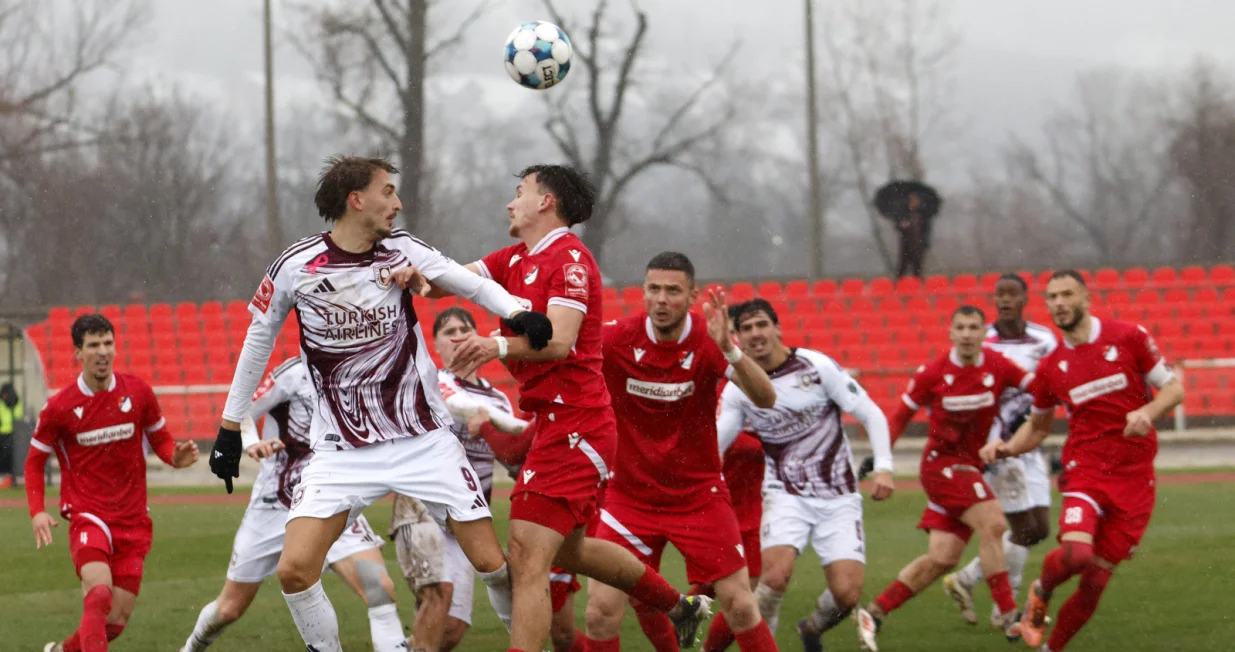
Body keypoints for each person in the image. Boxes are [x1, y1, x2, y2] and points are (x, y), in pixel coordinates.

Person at [207, 155, 554, 652]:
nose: (397, 202)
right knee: (294, 570)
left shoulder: (402, 250)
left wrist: (519, 312)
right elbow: (257, 341)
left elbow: (467, 281)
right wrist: (227, 427)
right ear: (356, 200)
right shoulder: (295, 266)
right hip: (340, 451)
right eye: (387, 192)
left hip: (422, 441)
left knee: (492, 564)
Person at [424, 165, 713, 652]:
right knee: (571, 551)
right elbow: (442, 284)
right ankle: (681, 607)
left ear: (546, 202)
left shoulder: (571, 260)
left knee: (527, 557)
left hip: (577, 425)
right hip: (555, 424)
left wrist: (495, 346)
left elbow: (558, 342)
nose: (510, 204)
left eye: (519, 193)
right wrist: (410, 268)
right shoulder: (513, 257)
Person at [583, 252, 779, 652]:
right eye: (653, 289)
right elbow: (564, 357)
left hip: (698, 496)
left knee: (741, 605)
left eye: (673, 291)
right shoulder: (618, 337)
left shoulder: (709, 341)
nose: (661, 299)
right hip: (630, 499)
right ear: (643, 293)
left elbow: (767, 398)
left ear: (691, 297)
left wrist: (731, 350)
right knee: (599, 611)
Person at [981, 270, 1184, 651]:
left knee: (1095, 583)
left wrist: (1148, 413)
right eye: (1052, 297)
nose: (1059, 303)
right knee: (1077, 554)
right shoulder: (1051, 367)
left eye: (1067, 295)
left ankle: (1049, 648)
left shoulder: (1128, 337)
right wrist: (1007, 447)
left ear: (1086, 298)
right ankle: (1041, 591)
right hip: (1086, 471)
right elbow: (1038, 428)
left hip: (1136, 478)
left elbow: (1173, 388)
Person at [180, 357, 404, 652]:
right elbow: (242, 410)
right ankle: (190, 649)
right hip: (276, 503)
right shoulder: (293, 373)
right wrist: (251, 443)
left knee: (380, 589)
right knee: (229, 608)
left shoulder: (360, 370)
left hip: (332, 497)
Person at [715, 299, 895, 652]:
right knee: (773, 578)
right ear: (736, 338)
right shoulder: (740, 388)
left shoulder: (817, 366)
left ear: (777, 328)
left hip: (839, 495)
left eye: (761, 324)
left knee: (846, 593)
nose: (755, 334)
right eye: (746, 328)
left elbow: (872, 414)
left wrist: (885, 467)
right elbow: (715, 445)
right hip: (785, 493)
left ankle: (811, 629)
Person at [856, 306, 1033, 650]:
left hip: (970, 467)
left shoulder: (998, 366)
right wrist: (883, 463)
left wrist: (1027, 422)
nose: (967, 334)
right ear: (950, 333)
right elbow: (898, 418)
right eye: (961, 328)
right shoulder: (933, 373)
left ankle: (873, 612)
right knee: (994, 525)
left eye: (974, 328)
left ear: (985, 333)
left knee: (942, 558)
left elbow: (1040, 388)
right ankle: (1011, 618)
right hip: (942, 466)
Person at [389, 308, 564, 652]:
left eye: (465, 328)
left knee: (451, 630)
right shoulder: (432, 382)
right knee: (441, 594)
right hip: (423, 507)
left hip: (468, 518)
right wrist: (539, 425)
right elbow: (464, 407)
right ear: (436, 345)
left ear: (476, 337)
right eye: (448, 330)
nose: (458, 335)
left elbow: (511, 454)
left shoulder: (496, 397)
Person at [25, 314, 199, 652]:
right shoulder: (60, 408)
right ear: (78, 352)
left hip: (133, 519)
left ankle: (60, 651)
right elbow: (34, 461)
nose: (102, 352)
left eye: (107, 343)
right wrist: (36, 511)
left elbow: (161, 440)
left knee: (113, 624)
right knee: (99, 592)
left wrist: (174, 457)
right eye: (93, 345)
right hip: (88, 515)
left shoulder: (138, 392)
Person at [943, 274, 1058, 627]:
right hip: (996, 445)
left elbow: (1052, 384)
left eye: (1012, 294)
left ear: (1025, 298)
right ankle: (1005, 608)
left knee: (1037, 528)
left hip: (1029, 441)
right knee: (1023, 525)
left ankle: (967, 578)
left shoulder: (1044, 340)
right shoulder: (985, 341)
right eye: (1000, 295)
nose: (1005, 300)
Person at [0, 381, 22, 488]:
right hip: (2, 434)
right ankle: (6, 477)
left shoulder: (16, 403)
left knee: (10, 454)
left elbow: (18, 417)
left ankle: (9, 478)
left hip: (13, 434)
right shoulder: (1, 404)